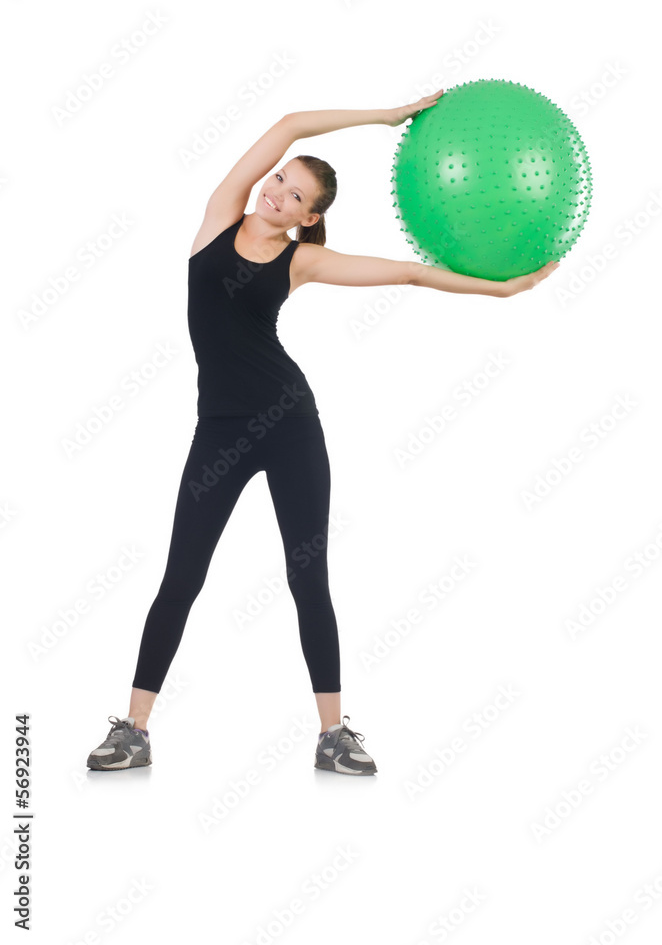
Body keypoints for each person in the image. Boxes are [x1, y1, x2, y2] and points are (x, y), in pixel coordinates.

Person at [86, 90, 559, 776]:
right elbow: (289, 124)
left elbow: (406, 273)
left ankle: (333, 735)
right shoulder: (220, 218)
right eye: (279, 177)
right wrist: (387, 115)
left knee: (308, 576)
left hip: (289, 426)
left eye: (294, 194)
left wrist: (503, 290)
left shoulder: (298, 261)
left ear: (308, 219)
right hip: (218, 432)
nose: (276, 190)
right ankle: (133, 729)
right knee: (182, 576)